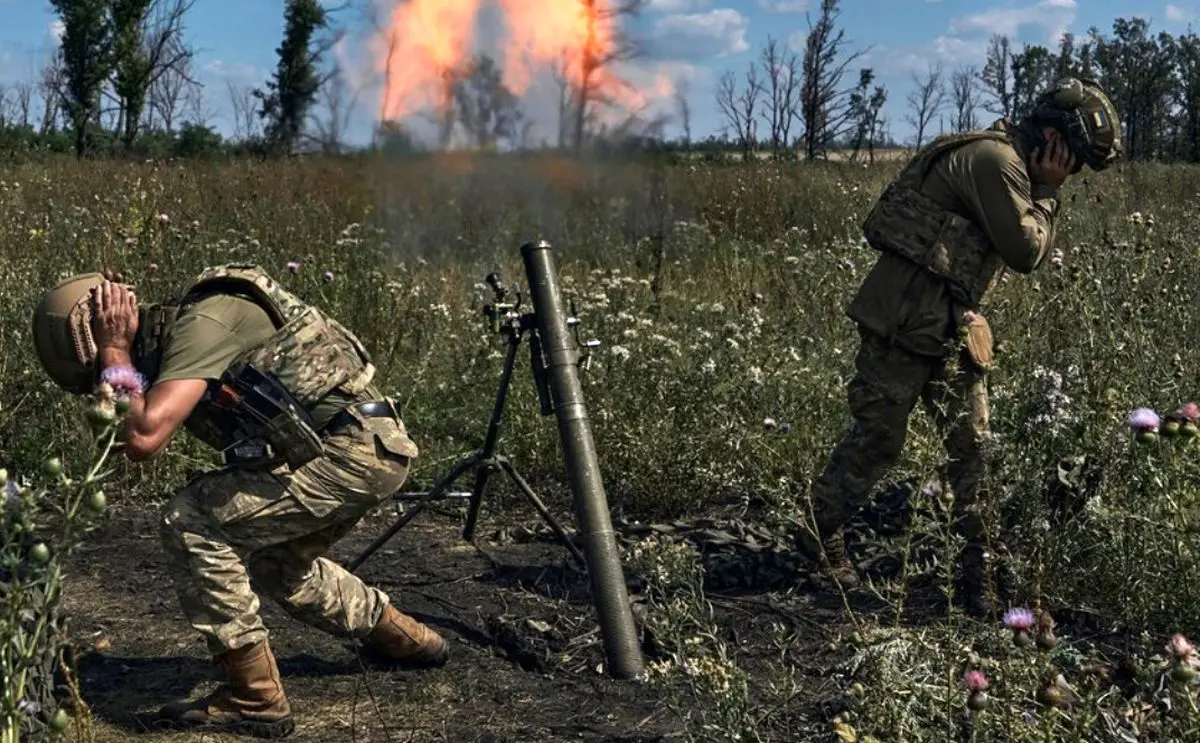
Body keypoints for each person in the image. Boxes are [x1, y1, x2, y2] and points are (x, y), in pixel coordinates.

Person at [31, 264, 450, 738]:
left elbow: (144, 437)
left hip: (352, 450)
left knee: (189, 517)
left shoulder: (202, 323)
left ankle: (254, 695)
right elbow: (124, 437)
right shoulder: (180, 342)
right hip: (353, 452)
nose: (106, 381)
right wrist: (116, 366)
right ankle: (409, 641)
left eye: (99, 376)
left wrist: (111, 349)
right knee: (281, 570)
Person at [793, 77, 1123, 617]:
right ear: (1053, 137)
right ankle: (819, 529)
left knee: (974, 453)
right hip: (903, 324)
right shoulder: (995, 161)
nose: (1074, 172)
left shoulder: (1007, 159)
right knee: (878, 439)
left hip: (950, 328)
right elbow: (1025, 250)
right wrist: (1047, 193)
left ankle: (980, 574)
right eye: (1075, 160)